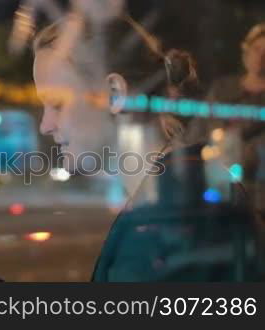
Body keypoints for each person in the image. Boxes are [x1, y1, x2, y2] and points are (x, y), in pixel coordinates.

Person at [32, 12, 265, 281]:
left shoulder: (172, 222)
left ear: (115, 94)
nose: (45, 126)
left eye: (56, 104)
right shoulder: (176, 197)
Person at [207, 23, 265, 216]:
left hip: (258, 199)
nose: (261, 56)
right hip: (219, 194)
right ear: (246, 50)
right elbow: (200, 130)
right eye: (257, 49)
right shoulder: (222, 90)